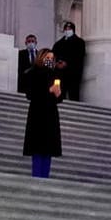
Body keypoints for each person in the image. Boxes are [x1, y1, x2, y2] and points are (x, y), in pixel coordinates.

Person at [20, 48, 64, 178]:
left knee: (48, 148)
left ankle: (45, 175)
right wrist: (48, 90)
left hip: (50, 113)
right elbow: (30, 94)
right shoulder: (32, 73)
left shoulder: (54, 74)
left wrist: (58, 94)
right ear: (41, 58)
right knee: (37, 147)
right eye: (47, 58)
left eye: (52, 59)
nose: (50, 61)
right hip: (37, 113)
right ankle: (37, 175)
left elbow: (58, 98)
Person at [51, 20, 85, 101]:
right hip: (59, 73)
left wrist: (67, 63)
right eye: (66, 29)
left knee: (73, 93)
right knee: (59, 92)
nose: (67, 30)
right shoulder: (58, 43)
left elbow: (79, 56)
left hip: (73, 73)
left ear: (73, 30)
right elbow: (52, 55)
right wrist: (57, 63)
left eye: (69, 29)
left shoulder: (79, 42)